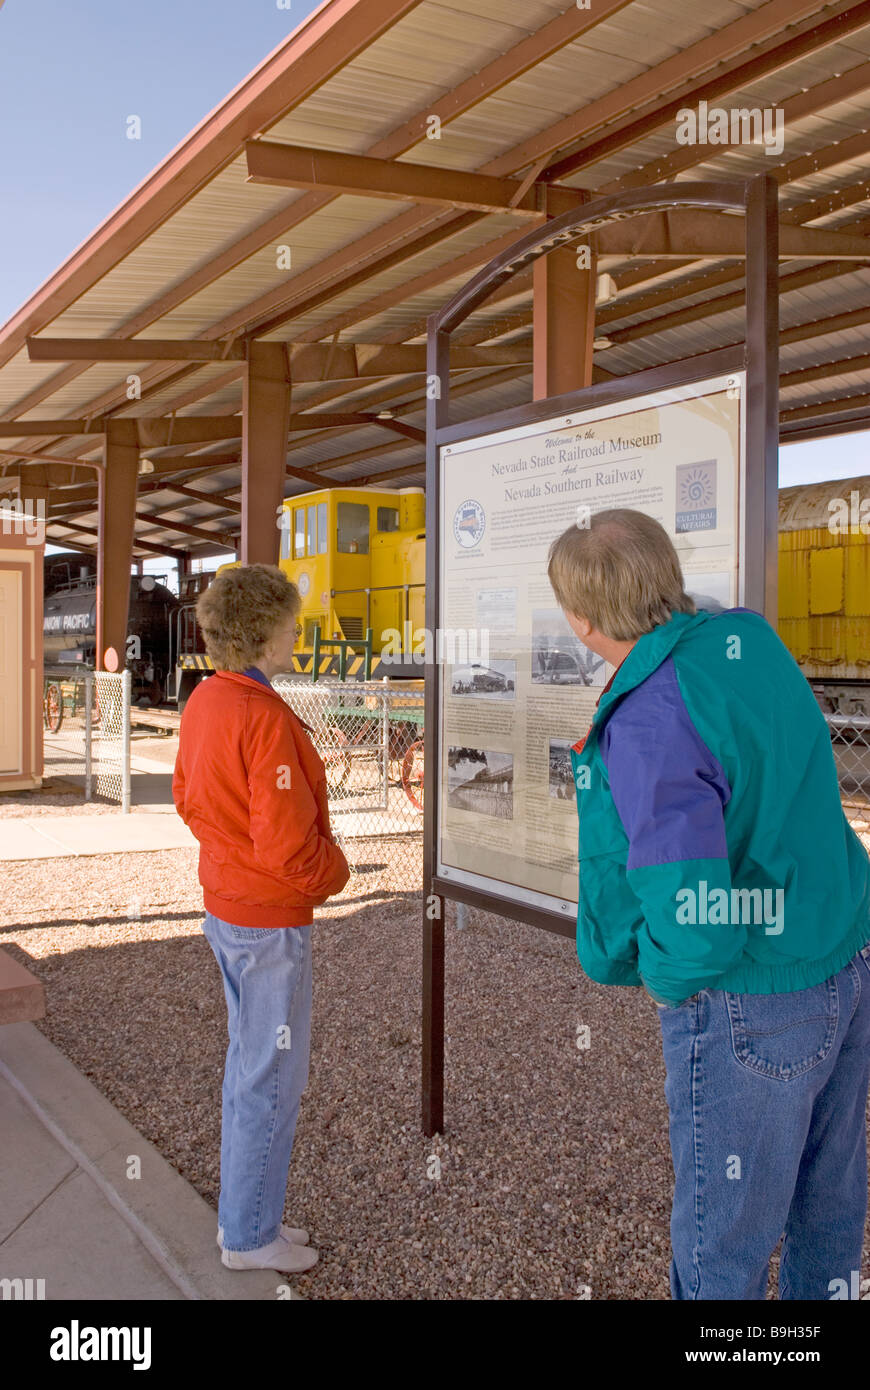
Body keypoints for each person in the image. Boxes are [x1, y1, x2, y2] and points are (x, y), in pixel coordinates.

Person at [547, 508, 870, 1301]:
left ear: (582, 621)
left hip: (755, 998)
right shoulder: (747, 639)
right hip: (844, 954)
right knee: (829, 1210)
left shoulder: (653, 715)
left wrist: (661, 979)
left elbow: (693, 925)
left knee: (723, 1243)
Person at [172, 564, 349, 1275]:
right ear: (262, 632)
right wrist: (334, 872)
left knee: (250, 1068)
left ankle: (250, 1218)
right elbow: (286, 845)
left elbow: (189, 800)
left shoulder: (207, 702)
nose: (297, 635)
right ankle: (248, 1237)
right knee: (270, 1075)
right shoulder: (263, 714)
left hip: (227, 906)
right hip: (270, 919)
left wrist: (233, 855)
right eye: (290, 624)